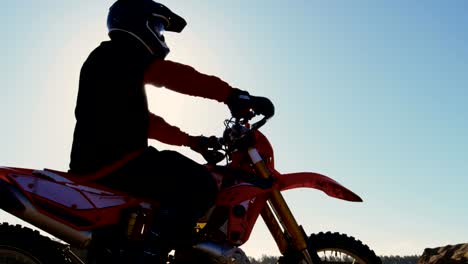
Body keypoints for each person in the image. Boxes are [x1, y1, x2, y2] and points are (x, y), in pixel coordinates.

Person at [68, 0, 271, 262]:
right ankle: (150, 252)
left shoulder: (110, 61)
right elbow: (175, 76)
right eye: (158, 28)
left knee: (178, 179)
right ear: (139, 25)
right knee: (201, 184)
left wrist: (191, 141)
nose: (161, 37)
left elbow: (145, 122)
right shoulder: (120, 53)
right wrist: (231, 95)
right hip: (114, 163)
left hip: (106, 161)